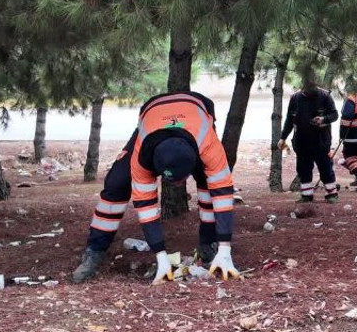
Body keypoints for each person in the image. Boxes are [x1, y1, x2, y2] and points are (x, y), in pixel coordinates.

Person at [73, 91, 240, 284]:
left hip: (197, 111)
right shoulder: (142, 156)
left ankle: (210, 245)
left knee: (208, 184)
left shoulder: (208, 145)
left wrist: (225, 247)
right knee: (116, 182)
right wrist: (161, 256)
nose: (178, 186)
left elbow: (222, 192)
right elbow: (145, 204)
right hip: (151, 116)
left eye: (180, 180)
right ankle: (95, 250)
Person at [279, 72, 341, 202]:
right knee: (303, 169)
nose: (309, 89)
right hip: (301, 142)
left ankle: (332, 194)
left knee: (325, 168)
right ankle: (306, 195)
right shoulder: (295, 98)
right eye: (307, 86)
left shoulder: (325, 96)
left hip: (321, 142)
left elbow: (334, 115)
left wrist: (323, 119)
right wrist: (283, 137)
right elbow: (289, 120)